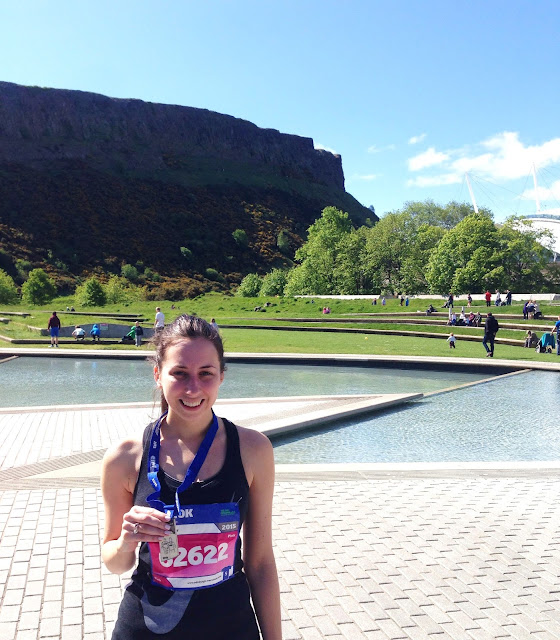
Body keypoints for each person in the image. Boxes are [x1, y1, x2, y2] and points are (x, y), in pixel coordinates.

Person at [101, 315, 281, 640]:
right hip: (147, 627)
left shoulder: (253, 449)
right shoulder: (125, 457)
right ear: (158, 375)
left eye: (206, 373)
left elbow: (261, 563)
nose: (193, 388)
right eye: (180, 373)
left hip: (230, 627)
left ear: (221, 375)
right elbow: (114, 563)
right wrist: (126, 542)